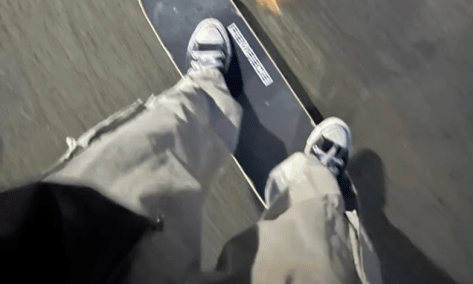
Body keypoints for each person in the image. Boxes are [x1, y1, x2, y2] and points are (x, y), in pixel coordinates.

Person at [0, 19, 382, 284]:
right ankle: (314, 192)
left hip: (50, 252)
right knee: (306, 268)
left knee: (143, 162)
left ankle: (205, 93)